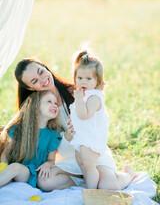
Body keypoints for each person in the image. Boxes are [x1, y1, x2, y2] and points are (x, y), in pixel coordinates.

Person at [14, 56, 137, 192]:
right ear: (30, 89)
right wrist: (68, 136)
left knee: (110, 186)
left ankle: (128, 175)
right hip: (69, 159)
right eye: (35, 81)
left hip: (93, 151)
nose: (43, 79)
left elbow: (100, 123)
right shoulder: (40, 110)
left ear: (45, 67)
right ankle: (87, 182)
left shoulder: (79, 91)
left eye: (41, 72)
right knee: (45, 181)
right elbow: (55, 148)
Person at [69, 50, 138, 189]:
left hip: (91, 141)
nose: (83, 81)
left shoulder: (94, 97)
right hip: (81, 139)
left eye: (89, 79)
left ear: (97, 81)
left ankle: (125, 177)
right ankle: (90, 183)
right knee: (83, 164)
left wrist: (77, 100)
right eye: (80, 77)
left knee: (90, 167)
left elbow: (84, 115)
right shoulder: (83, 95)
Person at [0, 91, 62, 188]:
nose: (54, 105)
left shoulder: (53, 135)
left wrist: (47, 165)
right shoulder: (18, 128)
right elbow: (6, 153)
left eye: (56, 103)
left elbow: (51, 159)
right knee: (13, 168)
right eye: (49, 101)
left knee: (15, 168)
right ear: (35, 106)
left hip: (31, 173)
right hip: (11, 170)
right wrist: (2, 168)